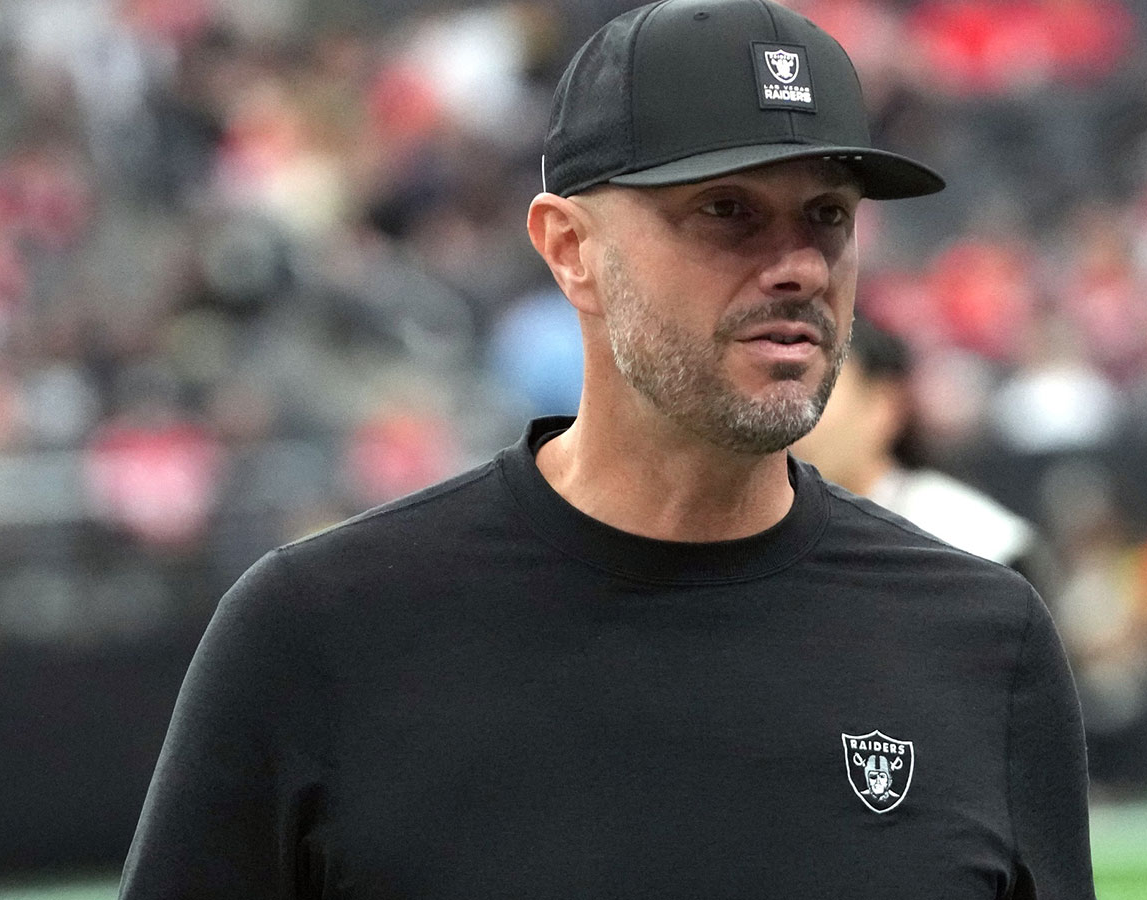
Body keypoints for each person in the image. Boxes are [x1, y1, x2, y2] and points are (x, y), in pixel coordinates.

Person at [120, 1, 1093, 896]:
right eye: (726, 210)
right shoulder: (318, 632)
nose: (797, 265)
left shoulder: (979, 638)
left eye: (826, 215)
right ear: (570, 249)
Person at [790, 318, 1048, 578]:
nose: (793, 413)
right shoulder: (774, 535)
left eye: (816, 390)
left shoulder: (972, 540)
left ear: (883, 406)